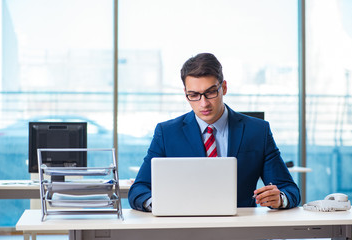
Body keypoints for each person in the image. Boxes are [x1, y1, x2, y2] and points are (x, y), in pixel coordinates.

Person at [128, 53, 301, 211]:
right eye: (194, 95)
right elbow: (138, 189)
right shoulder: (167, 133)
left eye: (210, 92)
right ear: (185, 93)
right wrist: (158, 204)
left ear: (223, 88)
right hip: (184, 230)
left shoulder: (257, 131)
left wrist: (280, 199)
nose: (203, 103)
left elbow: (290, 189)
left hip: (241, 230)